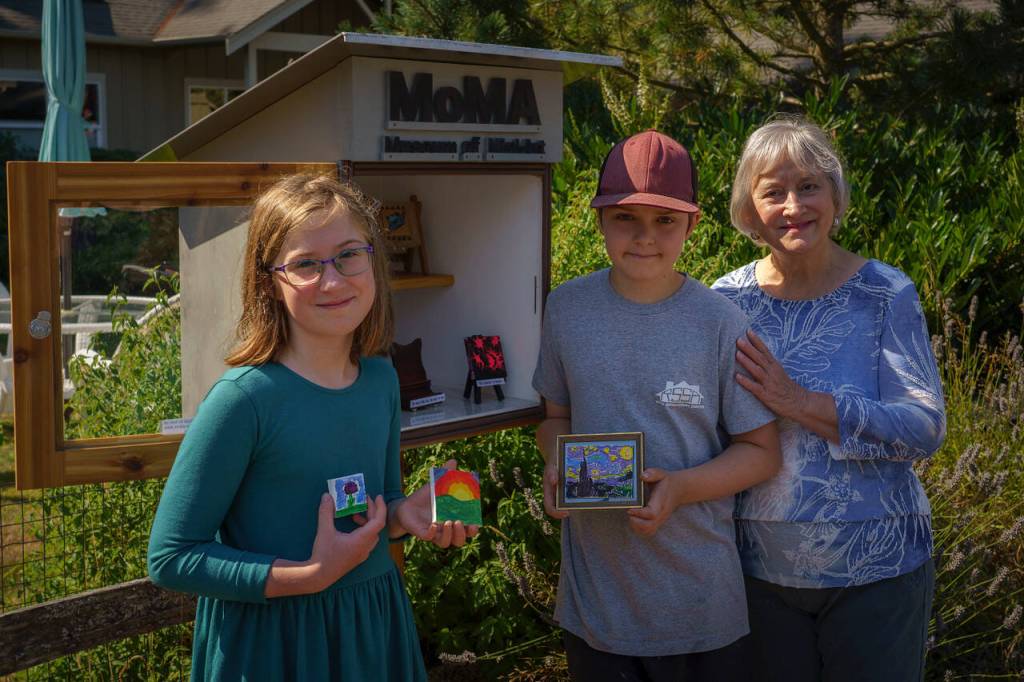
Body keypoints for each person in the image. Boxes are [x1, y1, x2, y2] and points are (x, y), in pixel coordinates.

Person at [148, 173, 475, 681]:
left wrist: (403, 513)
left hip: (371, 627)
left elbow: (369, 509)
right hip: (275, 645)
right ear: (268, 283)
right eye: (304, 264)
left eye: (349, 254)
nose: (333, 279)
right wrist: (308, 576)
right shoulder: (243, 400)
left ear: (373, 260)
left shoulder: (381, 380)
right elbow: (171, 557)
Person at [533, 130, 782, 682]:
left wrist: (680, 488)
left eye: (665, 220)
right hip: (596, 608)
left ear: (692, 225)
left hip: (700, 607)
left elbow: (761, 452)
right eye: (626, 218)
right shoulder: (566, 309)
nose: (645, 237)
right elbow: (555, 419)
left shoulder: (720, 323)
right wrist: (557, 466)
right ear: (598, 219)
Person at [712, 116, 946, 682]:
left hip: (878, 568)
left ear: (835, 197)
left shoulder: (884, 293)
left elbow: (925, 427)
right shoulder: (724, 301)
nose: (794, 206)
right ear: (749, 209)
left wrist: (801, 402)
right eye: (774, 192)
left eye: (809, 186)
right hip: (759, 571)